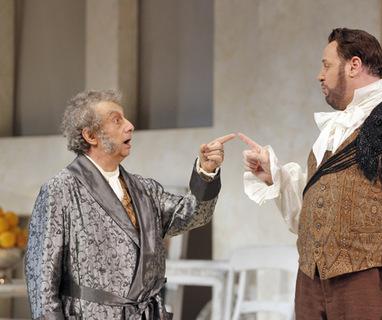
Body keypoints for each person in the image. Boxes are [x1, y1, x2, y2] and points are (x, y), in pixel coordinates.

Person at [240, 28, 382, 320]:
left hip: (367, 285)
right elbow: (317, 207)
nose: (320, 75)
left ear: (354, 65)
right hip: (309, 282)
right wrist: (276, 178)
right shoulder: (332, 132)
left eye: (327, 65)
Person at [24, 88, 235, 320]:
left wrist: (206, 172)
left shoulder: (144, 189)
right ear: (91, 136)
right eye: (117, 120)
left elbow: (193, 215)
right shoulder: (60, 190)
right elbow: (41, 282)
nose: (130, 125)